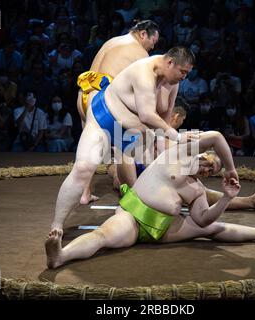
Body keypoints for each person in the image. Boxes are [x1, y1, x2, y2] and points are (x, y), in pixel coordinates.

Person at [48, 47, 238, 237]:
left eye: (187, 74)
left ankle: (139, 214)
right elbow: (147, 115)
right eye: (182, 72)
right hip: (104, 120)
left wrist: (164, 149)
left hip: (136, 137)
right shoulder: (143, 71)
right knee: (83, 169)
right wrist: (177, 137)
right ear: (170, 62)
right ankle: (57, 225)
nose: (184, 78)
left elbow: (164, 118)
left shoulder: (173, 83)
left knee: (159, 179)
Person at [45, 131, 255, 269]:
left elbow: (202, 220)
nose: (207, 170)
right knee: (102, 236)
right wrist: (231, 169)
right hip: (133, 219)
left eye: (212, 172)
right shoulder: (178, 155)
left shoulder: (197, 190)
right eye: (209, 163)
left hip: (164, 231)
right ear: (200, 153)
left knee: (213, 227)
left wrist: (225, 198)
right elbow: (217, 137)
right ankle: (60, 255)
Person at [75, 20, 160, 204]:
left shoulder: (112, 41)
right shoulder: (141, 53)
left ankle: (85, 193)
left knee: (89, 147)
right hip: (103, 99)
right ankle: (134, 192)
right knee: (129, 143)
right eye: (153, 41)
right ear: (143, 34)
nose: (153, 46)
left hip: (85, 92)